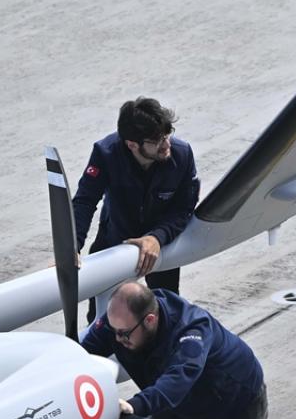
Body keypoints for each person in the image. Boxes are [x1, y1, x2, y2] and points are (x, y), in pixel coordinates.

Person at [82, 281, 267, 419]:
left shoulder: (192, 328)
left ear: (150, 320)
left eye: (123, 334)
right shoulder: (121, 322)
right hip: (180, 407)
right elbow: (84, 353)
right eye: (113, 330)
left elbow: (178, 379)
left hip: (235, 401)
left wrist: (135, 405)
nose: (116, 338)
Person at [72, 97, 200, 321]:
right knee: (100, 320)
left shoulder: (182, 155)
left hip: (162, 243)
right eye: (157, 140)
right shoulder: (106, 154)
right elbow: (84, 201)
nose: (166, 144)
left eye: (167, 135)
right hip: (115, 237)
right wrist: (71, 246)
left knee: (166, 313)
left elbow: (183, 209)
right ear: (132, 144)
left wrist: (157, 238)